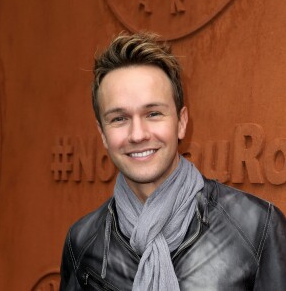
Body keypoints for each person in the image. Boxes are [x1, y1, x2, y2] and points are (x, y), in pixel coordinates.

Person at [60, 32, 286, 291]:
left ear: (181, 122)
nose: (138, 134)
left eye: (153, 113)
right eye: (119, 118)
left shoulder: (257, 227)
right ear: (103, 134)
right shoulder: (82, 242)